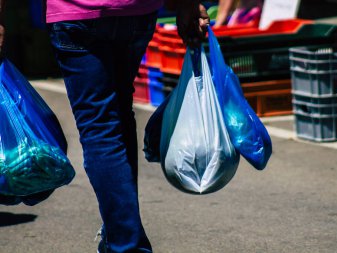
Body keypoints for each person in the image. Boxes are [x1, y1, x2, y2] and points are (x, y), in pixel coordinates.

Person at [0, 1, 210, 252]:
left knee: (101, 128)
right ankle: (117, 236)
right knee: (118, 116)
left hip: (78, 12)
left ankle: (126, 244)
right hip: (136, 11)